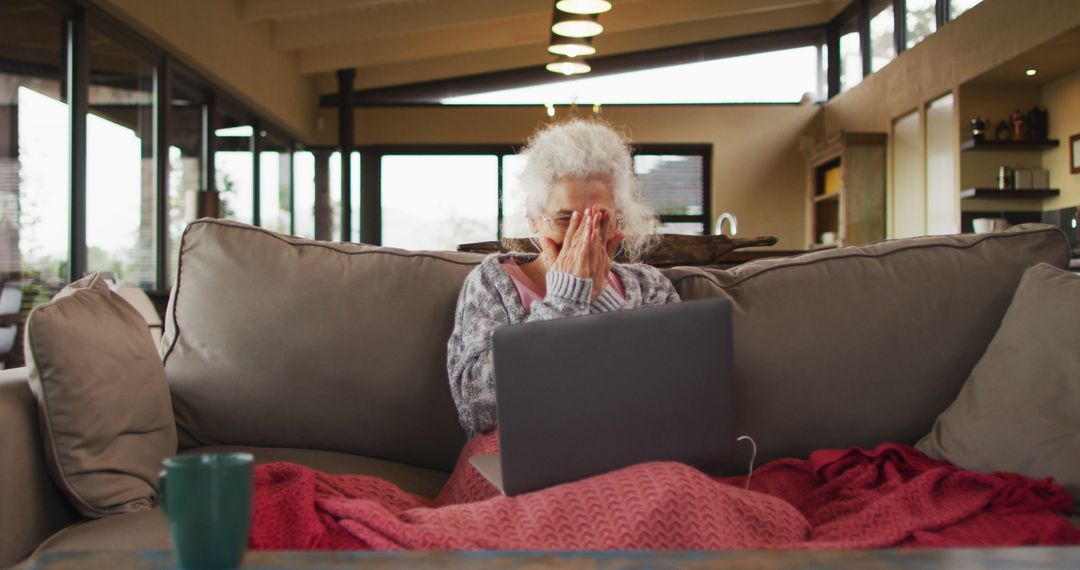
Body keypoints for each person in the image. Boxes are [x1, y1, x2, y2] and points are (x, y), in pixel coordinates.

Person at [447, 119, 681, 435]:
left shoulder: (649, 288)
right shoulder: (491, 285)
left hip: (628, 449)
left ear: (618, 221)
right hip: (522, 452)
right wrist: (564, 299)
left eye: (598, 219)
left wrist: (600, 296)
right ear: (533, 220)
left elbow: (671, 395)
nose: (583, 235)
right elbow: (477, 411)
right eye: (563, 219)